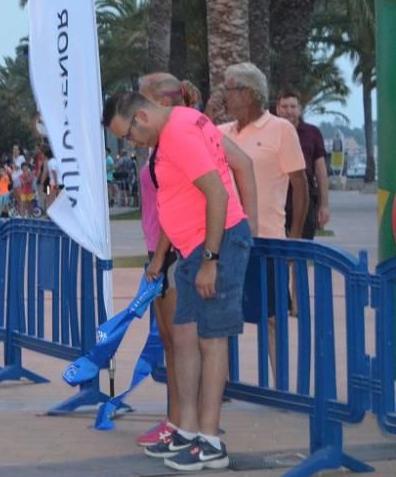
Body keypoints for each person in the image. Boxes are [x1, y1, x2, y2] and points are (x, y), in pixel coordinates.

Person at [103, 91, 257, 472]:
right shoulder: (182, 122)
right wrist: (159, 256)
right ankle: (186, 430)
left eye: (130, 135)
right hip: (189, 247)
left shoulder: (179, 133)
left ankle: (210, 439)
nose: (132, 143)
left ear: (141, 115)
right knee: (186, 337)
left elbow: (217, 193)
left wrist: (211, 260)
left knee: (211, 338)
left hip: (212, 244)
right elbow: (175, 196)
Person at [134, 72, 252, 449]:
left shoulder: (188, 129)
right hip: (173, 247)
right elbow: (172, 197)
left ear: (160, 103)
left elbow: (240, 167)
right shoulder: (163, 136)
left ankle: (202, 432)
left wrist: (246, 232)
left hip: (203, 244)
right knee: (177, 339)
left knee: (202, 339)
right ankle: (183, 427)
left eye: (142, 100)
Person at [219, 63, 307, 357]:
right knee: (222, 319)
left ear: (248, 93)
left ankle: (280, 387)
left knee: (273, 317)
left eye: (228, 90)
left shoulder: (281, 130)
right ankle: (224, 386)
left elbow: (301, 186)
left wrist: (294, 239)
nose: (224, 97)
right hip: (225, 240)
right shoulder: (220, 132)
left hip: (268, 241)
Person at [276, 90, 330, 239]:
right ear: (277, 109)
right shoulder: (271, 131)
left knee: (303, 246)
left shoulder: (312, 133)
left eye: (293, 107)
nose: (289, 111)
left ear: (299, 109)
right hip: (277, 197)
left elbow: (320, 170)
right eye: (284, 107)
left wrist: (324, 205)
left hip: (305, 196)